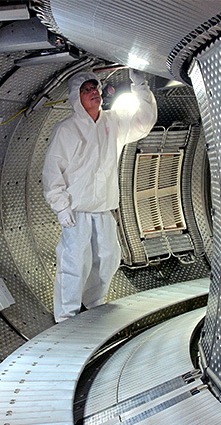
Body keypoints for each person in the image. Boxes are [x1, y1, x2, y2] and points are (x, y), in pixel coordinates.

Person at [42, 68, 157, 322]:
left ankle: (92, 305)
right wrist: (61, 207)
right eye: (87, 90)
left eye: (95, 88)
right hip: (76, 210)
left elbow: (144, 121)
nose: (94, 92)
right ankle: (65, 317)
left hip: (104, 209)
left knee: (108, 258)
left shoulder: (112, 122)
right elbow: (53, 169)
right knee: (74, 263)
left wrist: (139, 84)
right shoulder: (67, 129)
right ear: (76, 97)